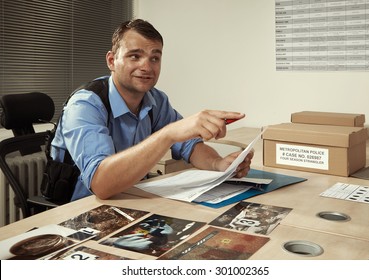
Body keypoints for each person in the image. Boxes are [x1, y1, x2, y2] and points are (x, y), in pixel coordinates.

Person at [50, 19, 254, 201]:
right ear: (112, 61)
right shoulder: (85, 104)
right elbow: (100, 185)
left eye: (154, 58)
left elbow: (190, 145)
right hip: (81, 209)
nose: (146, 66)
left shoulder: (156, 99)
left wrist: (219, 164)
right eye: (134, 56)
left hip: (133, 197)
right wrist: (168, 134)